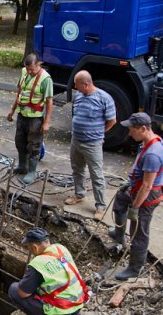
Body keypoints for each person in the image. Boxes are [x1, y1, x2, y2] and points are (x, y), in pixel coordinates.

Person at [109, 112, 163, 281]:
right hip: (137, 188)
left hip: (146, 196)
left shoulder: (153, 154)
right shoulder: (148, 142)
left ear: (143, 128)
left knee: (138, 231)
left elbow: (147, 186)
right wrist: (130, 182)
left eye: (132, 130)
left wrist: (135, 207)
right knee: (120, 199)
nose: (129, 133)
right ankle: (119, 233)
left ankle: (135, 267)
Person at [64, 71, 116, 221]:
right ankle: (79, 194)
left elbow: (112, 120)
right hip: (76, 140)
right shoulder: (79, 95)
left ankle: (100, 206)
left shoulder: (104, 98)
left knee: (96, 174)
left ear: (85, 84)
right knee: (77, 169)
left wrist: (99, 133)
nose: (74, 87)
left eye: (76, 84)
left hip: (92, 144)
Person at [8, 227, 88, 315]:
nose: (29, 250)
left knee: (14, 289)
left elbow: (23, 293)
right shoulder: (61, 248)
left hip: (61, 311)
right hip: (77, 303)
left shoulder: (38, 263)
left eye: (29, 248)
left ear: (35, 247)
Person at [7, 53, 54, 184]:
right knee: (20, 141)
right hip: (22, 114)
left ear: (38, 64)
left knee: (34, 145)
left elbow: (50, 102)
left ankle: (32, 172)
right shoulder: (24, 72)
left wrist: (46, 122)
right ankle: (23, 166)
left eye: (32, 69)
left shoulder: (46, 79)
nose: (29, 72)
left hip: (35, 118)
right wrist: (12, 109)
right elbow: (19, 93)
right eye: (27, 69)